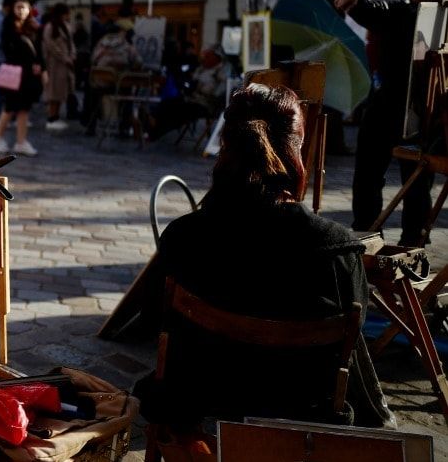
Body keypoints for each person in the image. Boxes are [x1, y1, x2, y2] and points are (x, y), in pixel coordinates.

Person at [133, 84, 394, 430]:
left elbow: (153, 319)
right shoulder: (337, 249)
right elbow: (350, 342)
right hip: (301, 412)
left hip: (196, 401)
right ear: (296, 147)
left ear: (226, 146)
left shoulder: (184, 237)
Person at [335, 0, 448, 246]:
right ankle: (366, 236)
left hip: (427, 115)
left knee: (417, 184)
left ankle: (414, 244)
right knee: (367, 176)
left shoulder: (445, 18)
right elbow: (377, 10)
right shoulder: (404, 10)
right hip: (385, 107)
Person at [0, 0, 43, 157]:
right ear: (13, 9)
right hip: (15, 73)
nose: (21, 11)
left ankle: (21, 141)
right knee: (10, 107)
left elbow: (38, 50)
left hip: (28, 75)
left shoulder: (31, 27)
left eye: (24, 7)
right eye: (18, 7)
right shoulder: (8, 25)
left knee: (24, 109)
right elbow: (10, 49)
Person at [41, 3, 75, 132]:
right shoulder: (50, 27)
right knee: (54, 91)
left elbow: (71, 44)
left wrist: (72, 56)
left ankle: (55, 116)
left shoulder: (66, 26)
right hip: (54, 64)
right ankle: (51, 117)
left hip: (65, 64)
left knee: (61, 91)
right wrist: (65, 57)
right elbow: (51, 46)